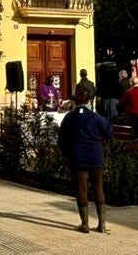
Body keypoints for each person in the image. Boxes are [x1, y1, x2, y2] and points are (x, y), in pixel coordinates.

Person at [57, 86, 113, 234]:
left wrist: (66, 153)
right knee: (98, 188)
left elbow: (61, 138)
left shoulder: (69, 117)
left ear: (75, 100)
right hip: (95, 155)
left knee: (81, 189)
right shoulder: (96, 117)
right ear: (90, 100)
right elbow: (108, 133)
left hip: (77, 156)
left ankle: (85, 224)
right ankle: (101, 224)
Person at [119, 75, 138, 139]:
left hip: (133, 115)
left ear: (131, 83)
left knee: (135, 132)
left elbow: (121, 102)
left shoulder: (129, 92)